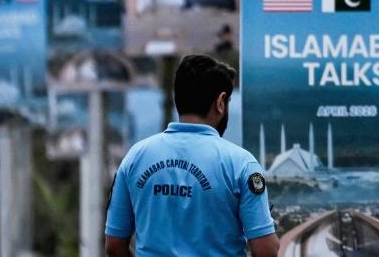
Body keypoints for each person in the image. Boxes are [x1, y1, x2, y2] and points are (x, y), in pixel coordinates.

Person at [104, 55, 278, 257]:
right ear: (220, 102)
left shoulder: (135, 157)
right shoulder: (241, 164)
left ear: (178, 99)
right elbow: (266, 250)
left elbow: (114, 245)